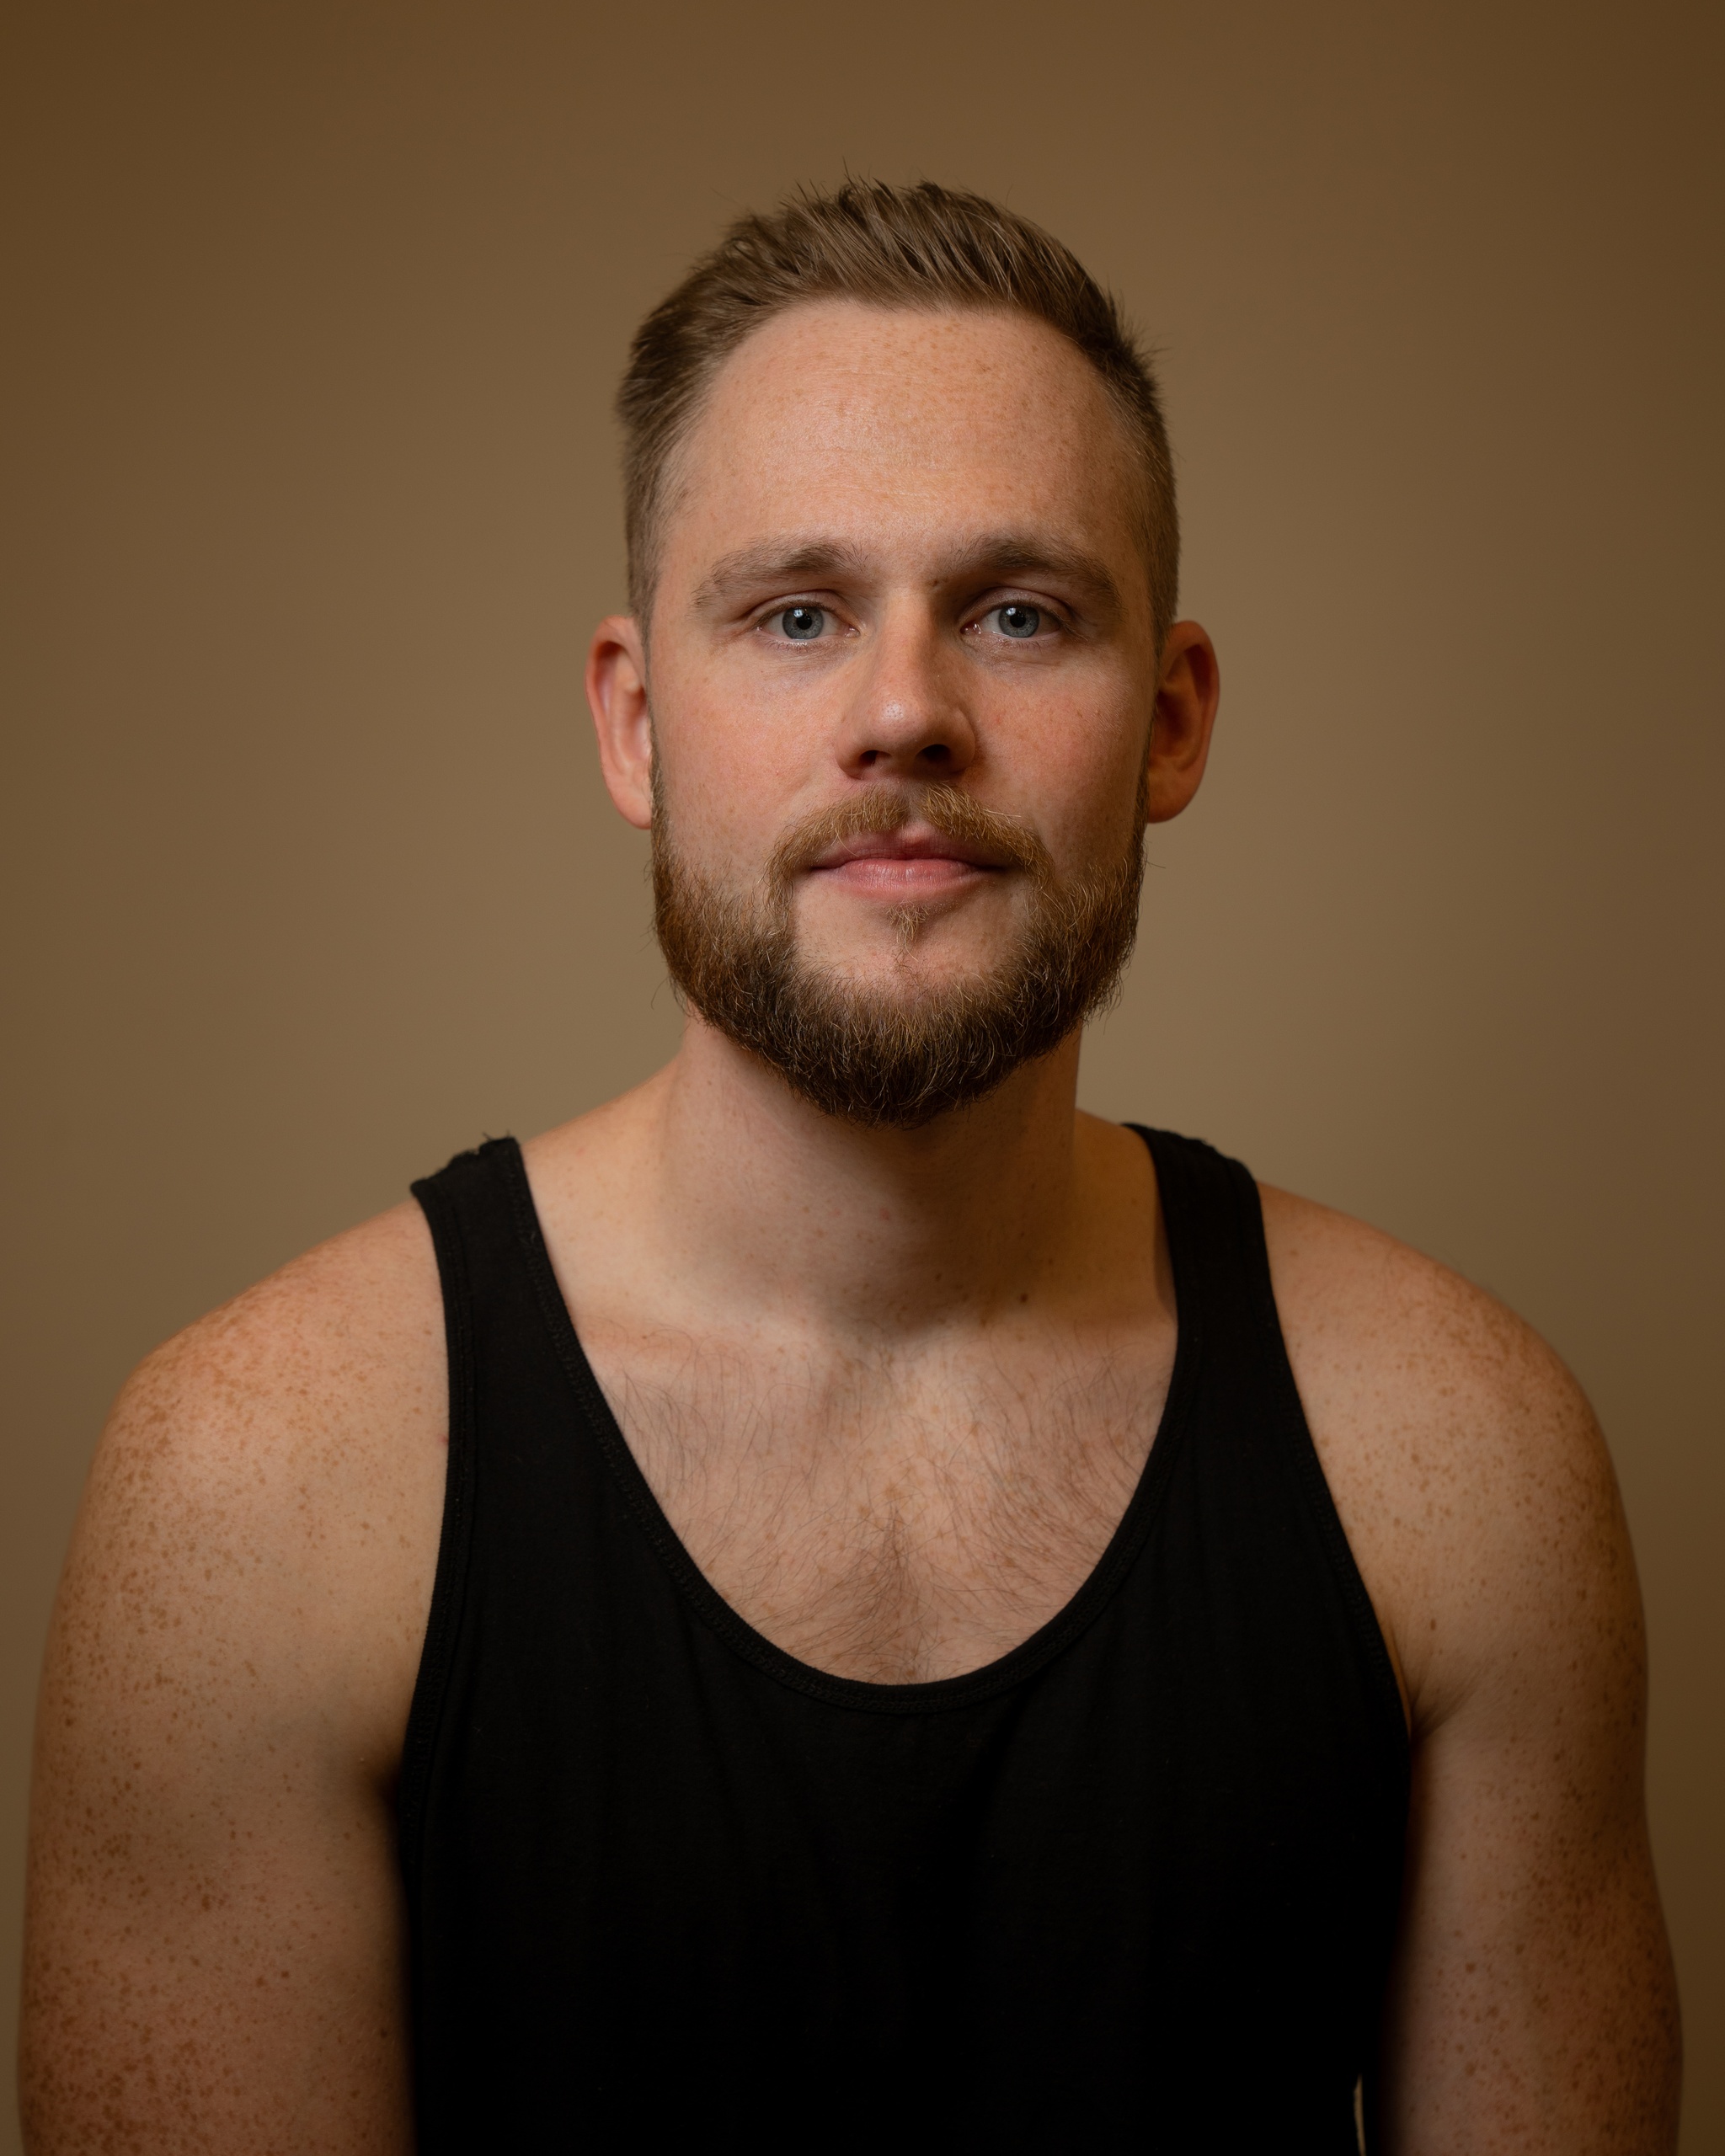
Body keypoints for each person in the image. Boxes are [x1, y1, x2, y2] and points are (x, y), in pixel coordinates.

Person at [21, 180, 1679, 2153]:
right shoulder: (259, 1485)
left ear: (1169, 721)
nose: (905, 713)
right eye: (796, 613)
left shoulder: (1457, 1456)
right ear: (638, 724)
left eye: (1018, 612)